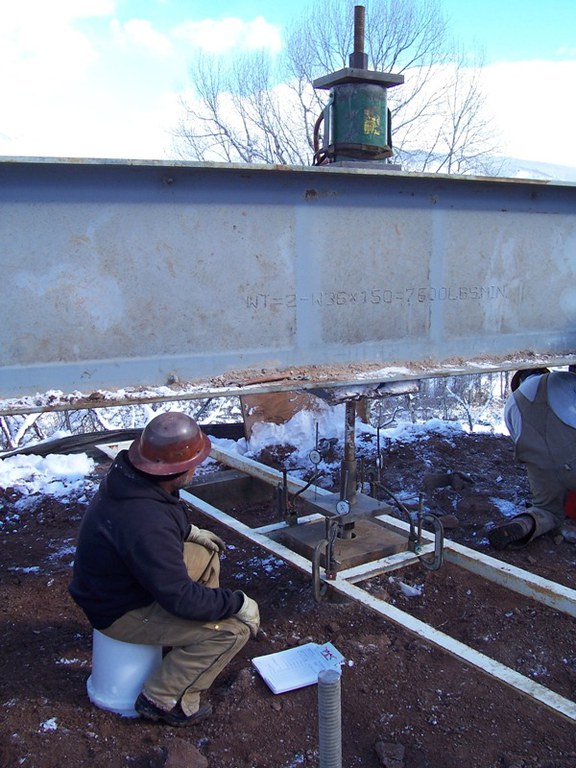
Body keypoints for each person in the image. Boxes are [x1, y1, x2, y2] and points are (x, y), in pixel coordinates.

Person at [69, 411, 260, 726]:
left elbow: (164, 513)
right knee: (232, 632)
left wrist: (190, 532)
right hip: (121, 610)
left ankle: (187, 643)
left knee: (204, 553)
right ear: (177, 469)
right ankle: (164, 698)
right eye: (194, 463)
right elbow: (179, 597)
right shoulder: (145, 522)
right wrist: (238, 603)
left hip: (119, 583)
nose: (197, 467)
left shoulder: (133, 479)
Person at [488, 367, 576, 549]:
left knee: (546, 509)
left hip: (540, 467)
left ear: (519, 382)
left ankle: (524, 524)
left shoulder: (510, 404)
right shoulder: (561, 379)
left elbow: (519, 443)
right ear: (544, 371)